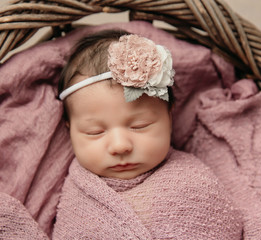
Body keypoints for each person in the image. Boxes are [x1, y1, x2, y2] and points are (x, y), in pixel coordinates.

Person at [53, 29, 244, 239]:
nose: (120, 146)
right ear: (69, 128)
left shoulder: (192, 181)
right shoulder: (78, 197)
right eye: (95, 132)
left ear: (169, 118)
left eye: (140, 125)